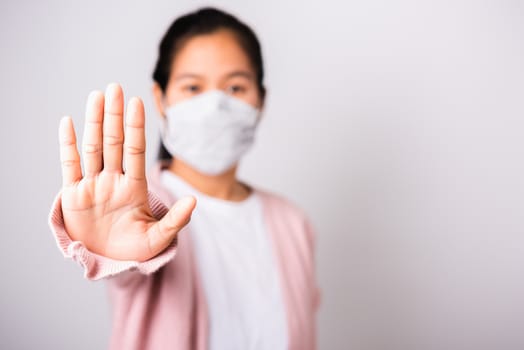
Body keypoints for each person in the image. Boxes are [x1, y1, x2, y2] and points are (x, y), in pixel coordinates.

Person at [49, 7, 320, 350]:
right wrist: (115, 255)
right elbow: (126, 263)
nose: (215, 105)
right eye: (193, 87)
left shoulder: (292, 223)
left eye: (236, 87)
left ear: (260, 101)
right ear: (161, 100)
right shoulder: (137, 211)